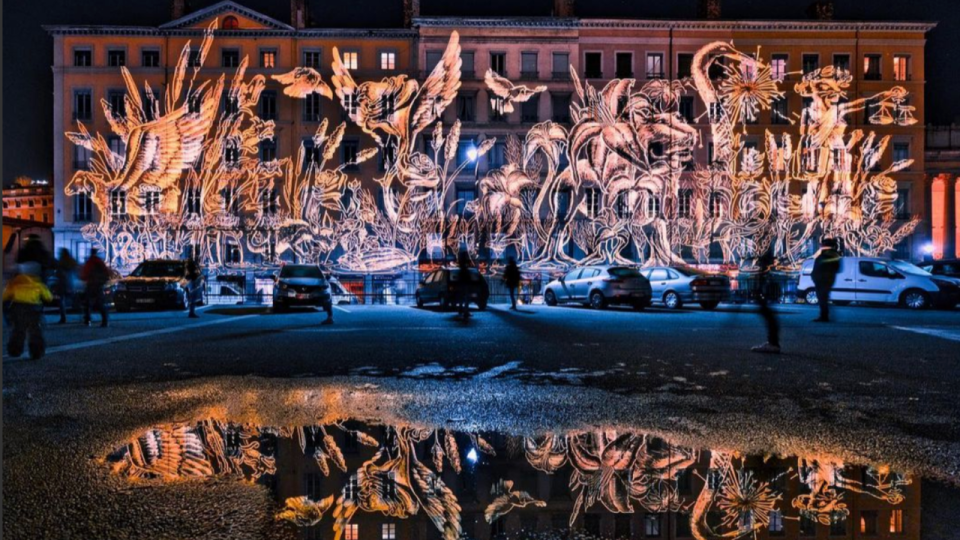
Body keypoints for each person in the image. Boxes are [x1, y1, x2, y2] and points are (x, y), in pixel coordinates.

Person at [3, 264, 52, 360]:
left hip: (18, 309)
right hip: (34, 310)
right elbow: (49, 297)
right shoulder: (38, 284)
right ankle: (36, 352)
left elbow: (4, 296)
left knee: (18, 330)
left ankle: (15, 350)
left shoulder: (14, 283)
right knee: (35, 331)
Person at [751, 247, 781, 354]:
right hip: (766, 296)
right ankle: (773, 342)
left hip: (765, 296)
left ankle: (773, 343)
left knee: (769, 316)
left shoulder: (766, 271)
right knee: (769, 316)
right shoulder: (768, 271)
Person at [811, 237, 842, 322]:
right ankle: (824, 315)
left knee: (822, 297)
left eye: (822, 245)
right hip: (823, 279)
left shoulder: (829, 255)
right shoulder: (830, 254)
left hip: (823, 279)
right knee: (822, 297)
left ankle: (824, 316)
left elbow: (822, 266)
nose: (821, 246)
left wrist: (816, 276)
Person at [80, 248, 110, 327]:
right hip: (98, 284)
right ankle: (105, 320)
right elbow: (106, 272)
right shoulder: (99, 261)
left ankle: (88, 320)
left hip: (91, 284)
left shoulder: (90, 261)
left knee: (88, 303)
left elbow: (84, 274)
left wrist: (84, 278)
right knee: (100, 303)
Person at [54, 248, 79, 324]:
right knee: (74, 298)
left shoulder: (61, 262)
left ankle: (63, 317)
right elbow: (76, 270)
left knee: (62, 300)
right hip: (71, 281)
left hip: (62, 282)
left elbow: (58, 272)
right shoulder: (72, 261)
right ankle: (83, 315)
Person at [456, 252, 474, 319]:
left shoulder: (461, 265)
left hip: (462, 282)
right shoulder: (465, 267)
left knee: (461, 297)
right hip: (465, 282)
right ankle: (466, 311)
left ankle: (461, 309)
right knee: (466, 298)